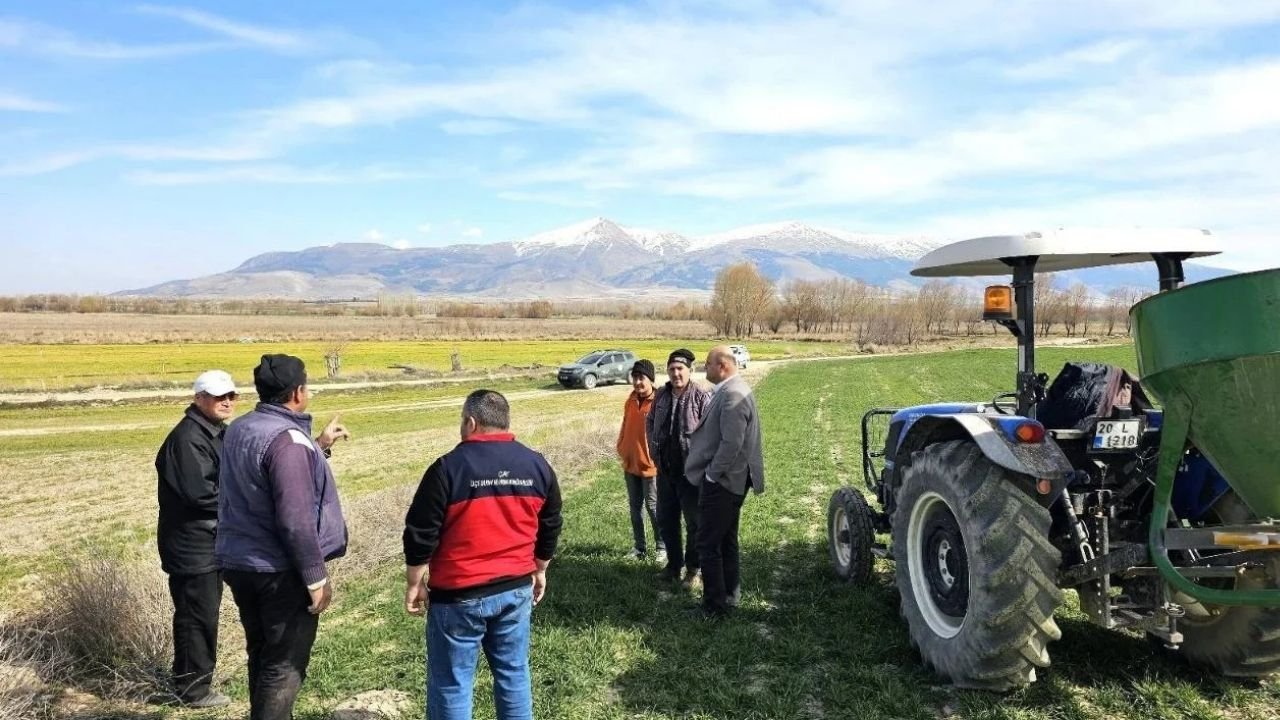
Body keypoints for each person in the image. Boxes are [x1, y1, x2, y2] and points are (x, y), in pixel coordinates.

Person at [403, 389, 563, 720]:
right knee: (513, 674)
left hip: (458, 597)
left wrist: (415, 582)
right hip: (516, 588)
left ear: (471, 422)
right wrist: (540, 568)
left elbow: (421, 532)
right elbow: (550, 523)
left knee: (452, 683)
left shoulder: (447, 469)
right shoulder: (537, 466)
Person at [216, 354, 351, 720]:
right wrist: (316, 578)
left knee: (262, 654)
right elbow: (295, 520)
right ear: (297, 392)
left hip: (240, 562)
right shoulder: (287, 441)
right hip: (278, 570)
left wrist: (319, 446)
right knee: (284, 665)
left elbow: (263, 483)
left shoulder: (241, 429)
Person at [155, 370, 238, 708]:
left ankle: (194, 682)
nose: (227, 402)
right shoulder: (188, 438)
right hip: (192, 546)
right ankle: (192, 691)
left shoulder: (215, 431)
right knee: (195, 617)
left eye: (231, 395)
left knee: (203, 614)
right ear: (198, 398)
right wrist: (245, 498)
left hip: (209, 541)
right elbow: (200, 494)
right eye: (219, 396)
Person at [684, 345, 766, 618]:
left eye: (707, 364)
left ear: (722, 366)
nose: (704, 369)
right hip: (730, 481)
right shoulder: (733, 390)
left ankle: (714, 606)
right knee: (726, 540)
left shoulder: (732, 396)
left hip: (724, 483)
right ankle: (730, 593)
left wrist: (711, 475)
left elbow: (732, 444)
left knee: (707, 543)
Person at [647, 349, 711, 588]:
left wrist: (703, 464)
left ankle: (694, 570)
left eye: (680, 369)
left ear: (690, 371)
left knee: (694, 523)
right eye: (672, 369)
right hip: (666, 472)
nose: (676, 373)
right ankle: (674, 566)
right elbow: (650, 423)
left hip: (691, 474)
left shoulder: (701, 397)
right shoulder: (661, 396)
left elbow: (710, 433)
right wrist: (654, 453)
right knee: (666, 520)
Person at [616, 359, 665, 563]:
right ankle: (639, 547)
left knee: (653, 508)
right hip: (630, 463)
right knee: (635, 508)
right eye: (634, 377)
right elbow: (625, 425)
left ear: (650, 379)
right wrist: (621, 445)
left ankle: (662, 547)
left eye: (641, 378)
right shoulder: (630, 400)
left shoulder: (659, 402)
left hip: (650, 467)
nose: (637, 382)